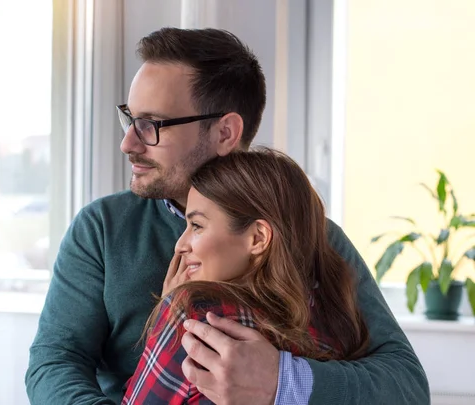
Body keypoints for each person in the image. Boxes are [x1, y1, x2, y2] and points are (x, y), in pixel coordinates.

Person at [25, 27, 430, 405]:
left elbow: (406, 386)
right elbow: (53, 364)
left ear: (224, 133)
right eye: (130, 118)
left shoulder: (312, 235)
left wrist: (282, 381)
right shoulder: (102, 229)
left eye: (150, 125)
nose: (128, 142)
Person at [122, 148, 371, 405]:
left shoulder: (193, 311)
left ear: (258, 238)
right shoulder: (334, 316)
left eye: (196, 226)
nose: (180, 245)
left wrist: (167, 316)